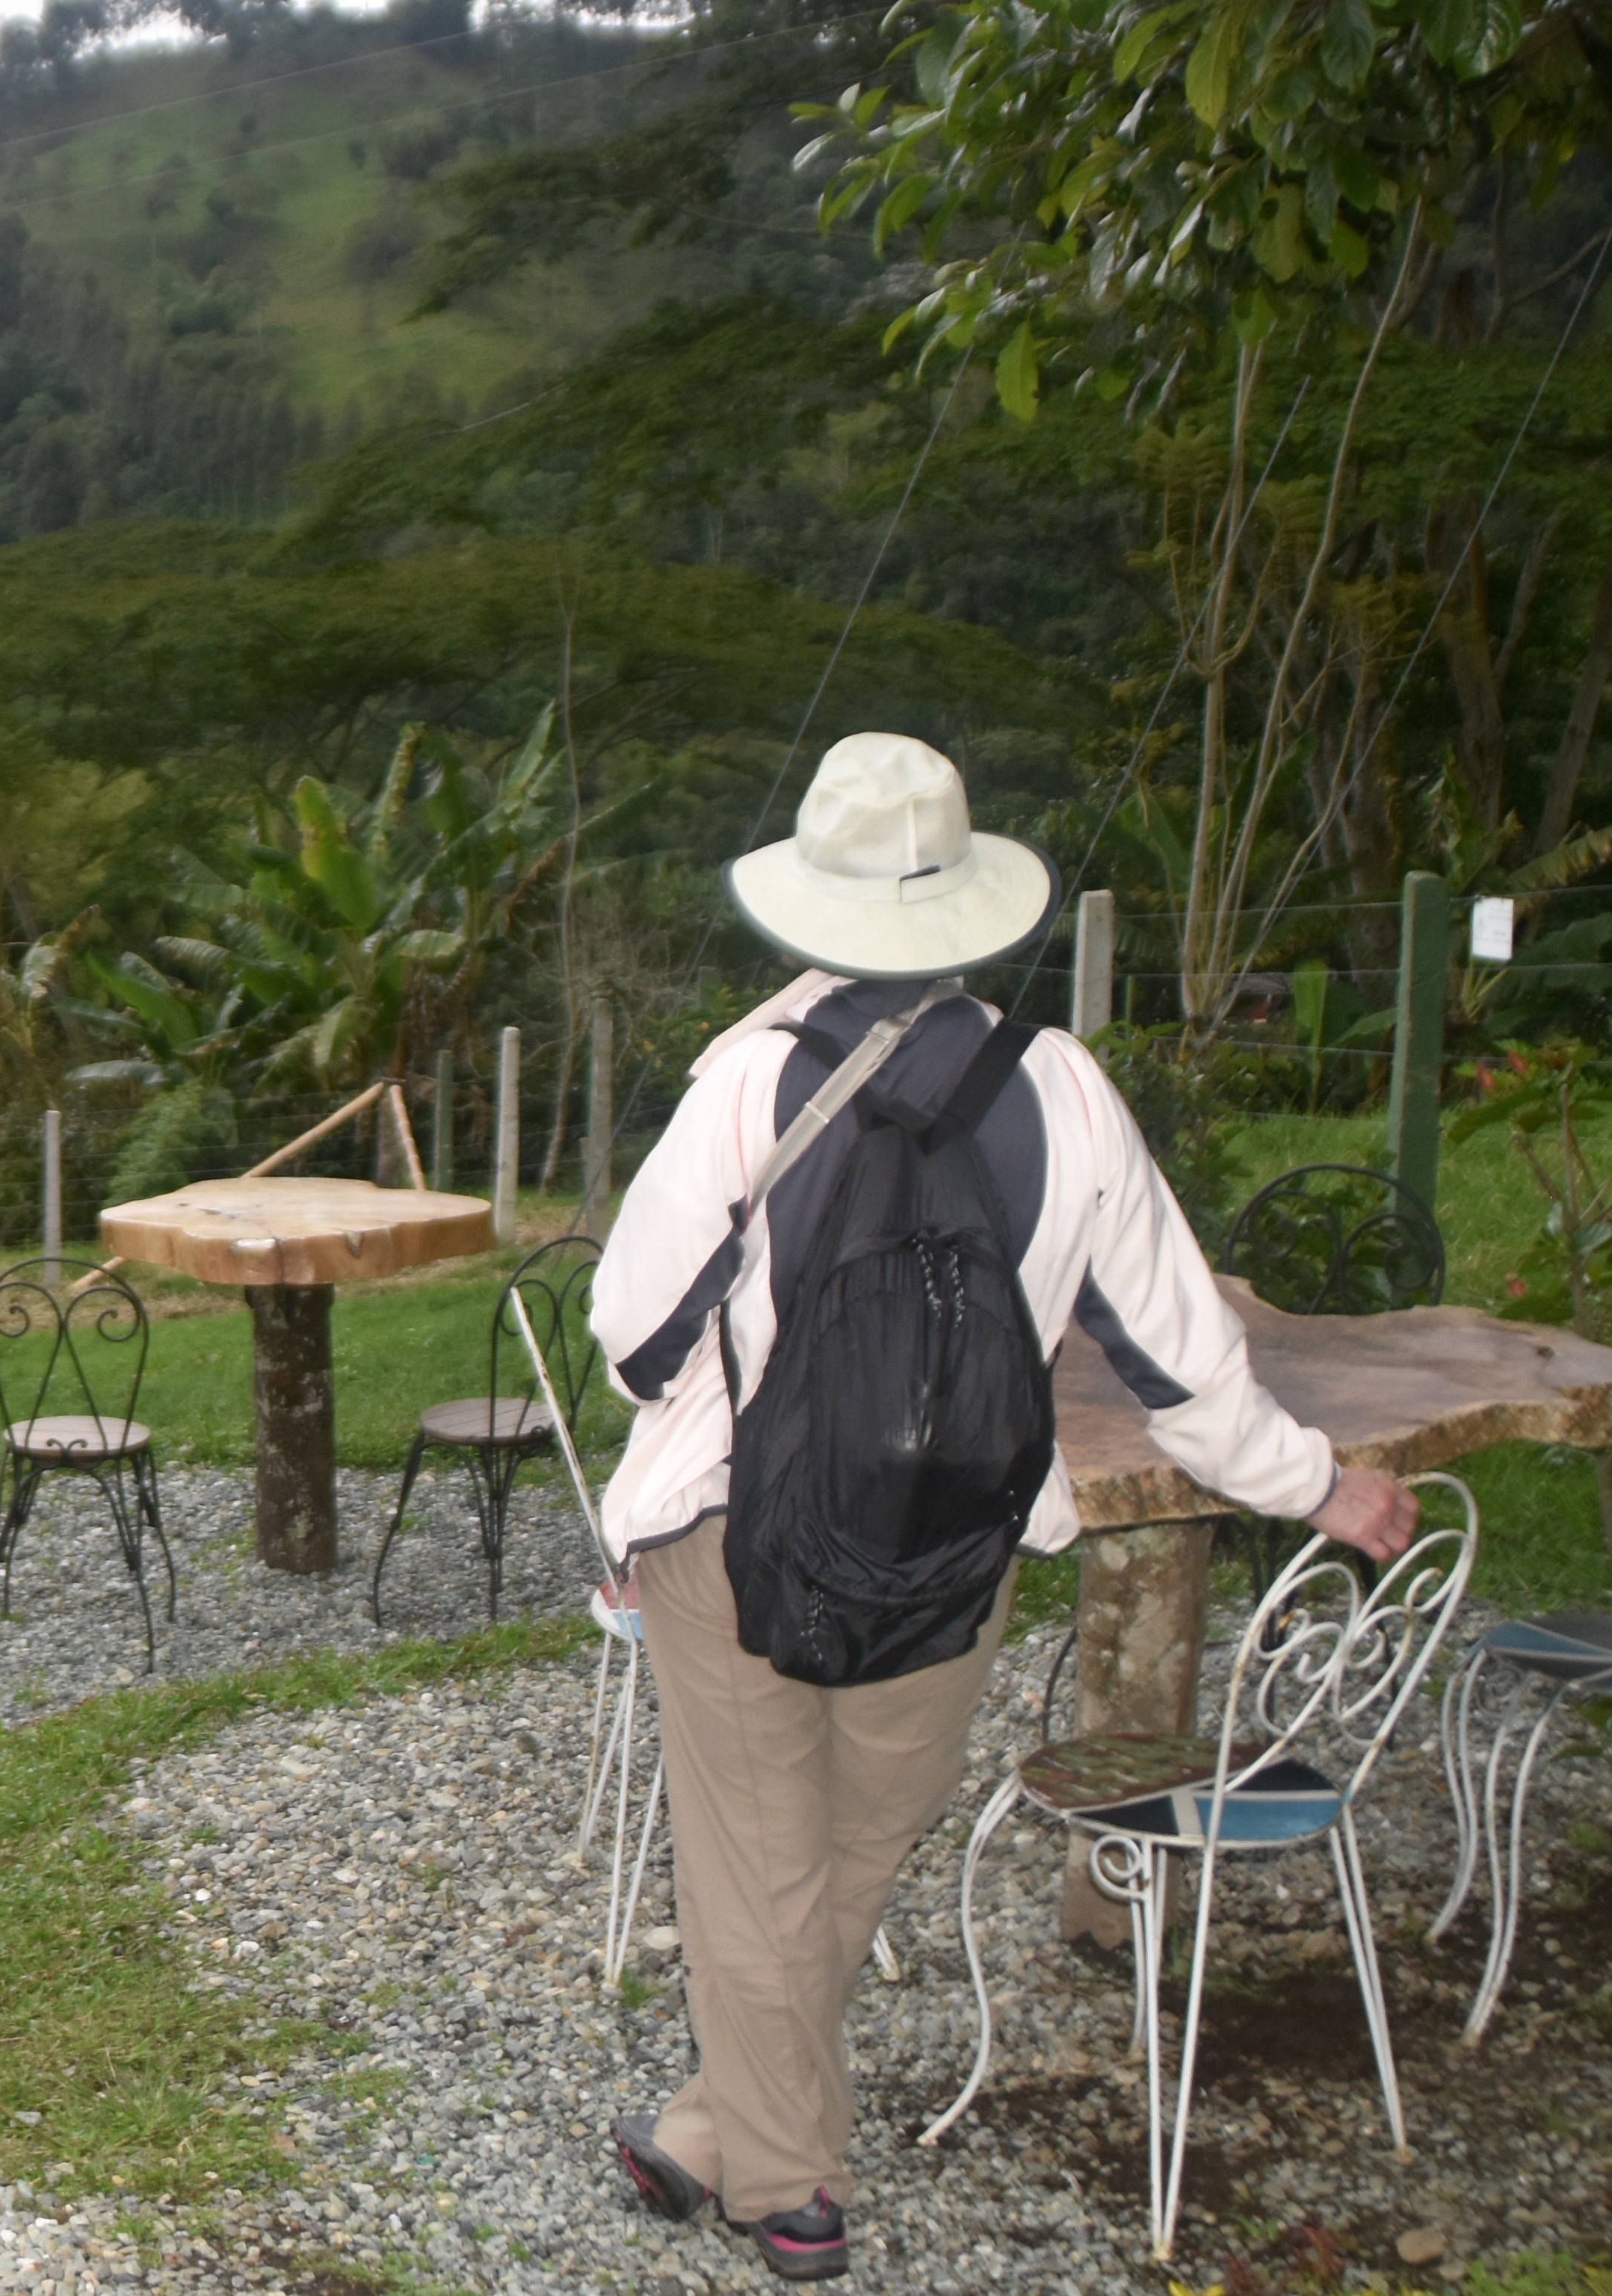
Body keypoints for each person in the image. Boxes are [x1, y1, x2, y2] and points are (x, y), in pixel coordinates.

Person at [584, 733, 1416, 2283]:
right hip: (955, 1545)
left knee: (756, 1860)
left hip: (735, 1535)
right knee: (845, 1849)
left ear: (803, 910)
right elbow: (1185, 1361)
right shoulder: (1064, 1089)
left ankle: (782, 2185)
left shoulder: (746, 1079)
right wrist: (1320, 1486)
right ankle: (711, 2126)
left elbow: (632, 1335)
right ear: (966, 906)